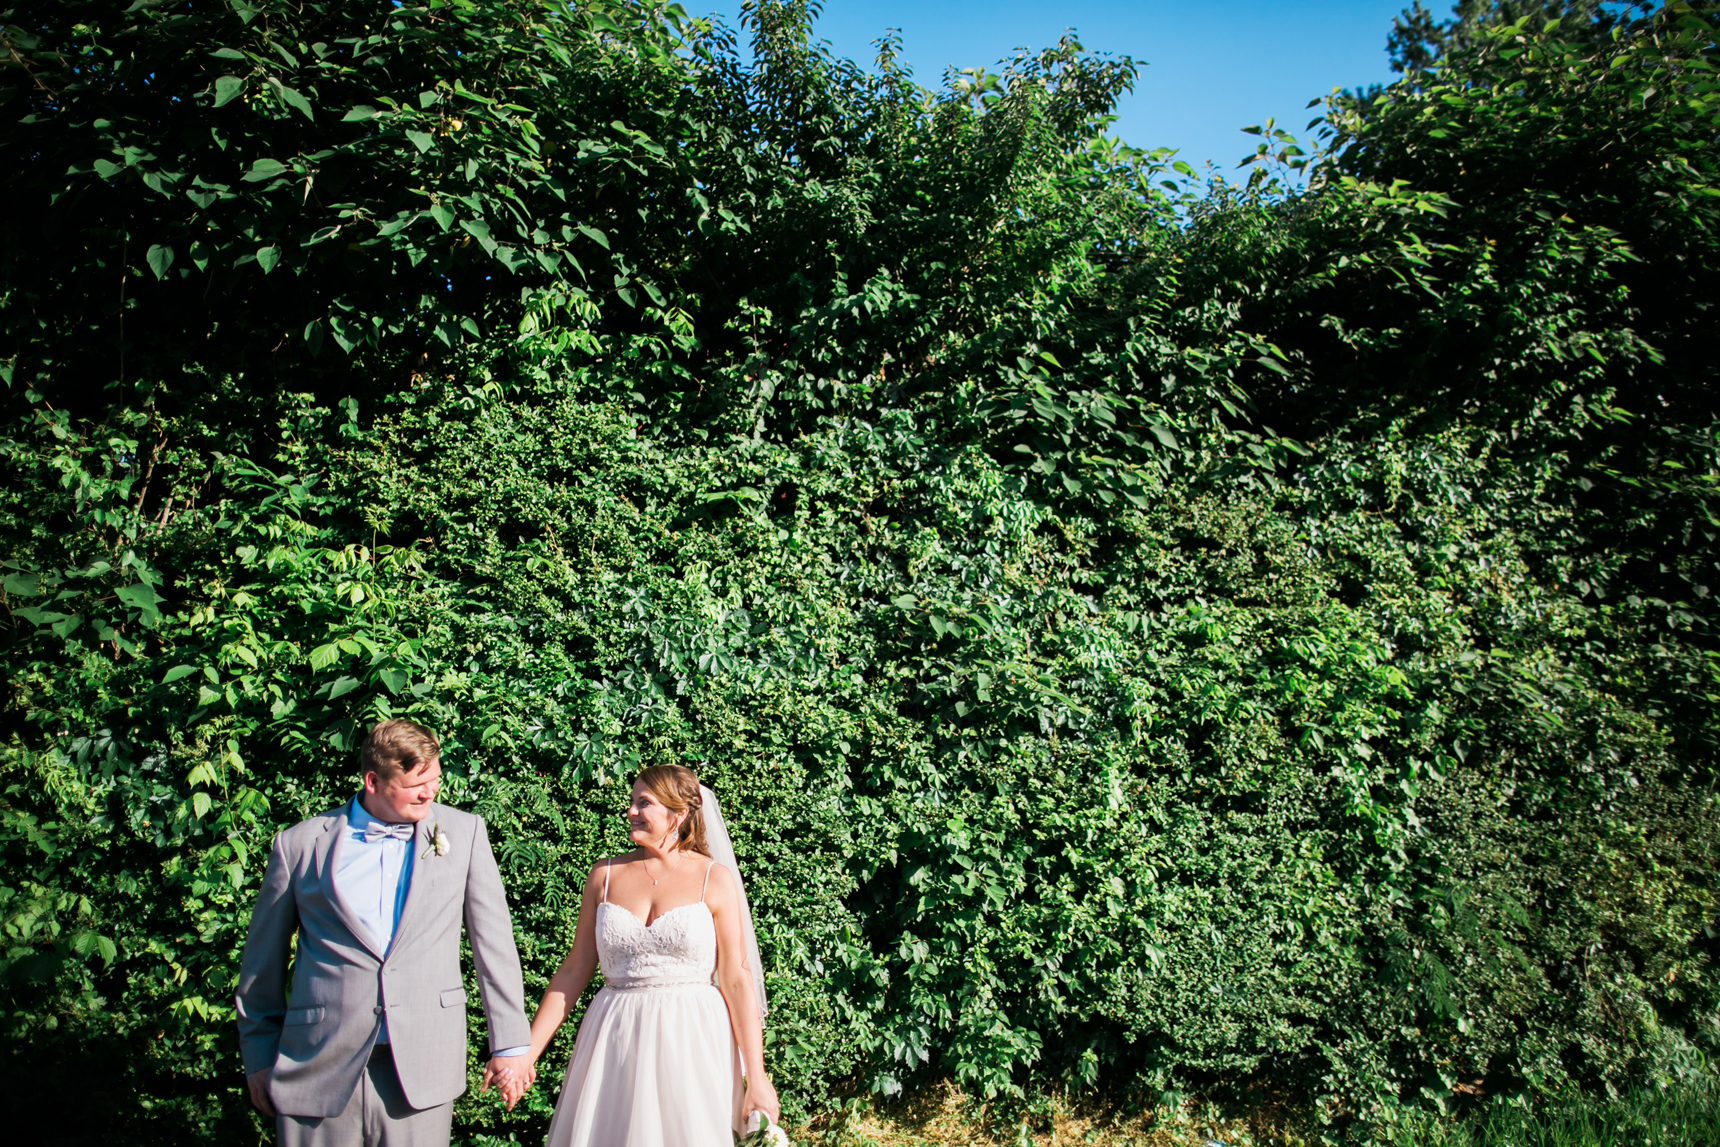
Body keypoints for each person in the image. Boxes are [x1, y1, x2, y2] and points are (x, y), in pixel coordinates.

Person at [234, 719, 533, 1146]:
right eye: (416, 785)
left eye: (435, 781)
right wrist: (259, 1057)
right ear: (372, 781)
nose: (430, 794)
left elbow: (495, 947)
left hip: (422, 1060)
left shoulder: (463, 834)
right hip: (316, 1062)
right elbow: (262, 964)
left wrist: (510, 1045)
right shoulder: (299, 846)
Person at [514, 764, 780, 1146]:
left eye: (644, 803)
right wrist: (527, 1054)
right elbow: (574, 969)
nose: (631, 811)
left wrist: (756, 1077)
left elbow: (737, 980)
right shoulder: (604, 875)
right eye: (632, 801)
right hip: (615, 1034)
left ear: (679, 814)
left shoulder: (714, 878)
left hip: (692, 1036)